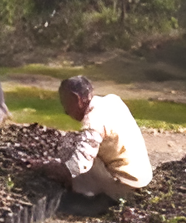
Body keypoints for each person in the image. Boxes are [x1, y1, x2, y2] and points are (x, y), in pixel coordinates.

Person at [35, 75, 153, 215]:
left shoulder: (93, 121)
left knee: (70, 149)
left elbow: (79, 164)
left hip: (125, 184)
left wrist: (50, 168)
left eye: (65, 103)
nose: (65, 111)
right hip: (142, 177)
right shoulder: (113, 100)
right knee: (78, 145)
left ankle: (89, 199)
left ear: (76, 99)